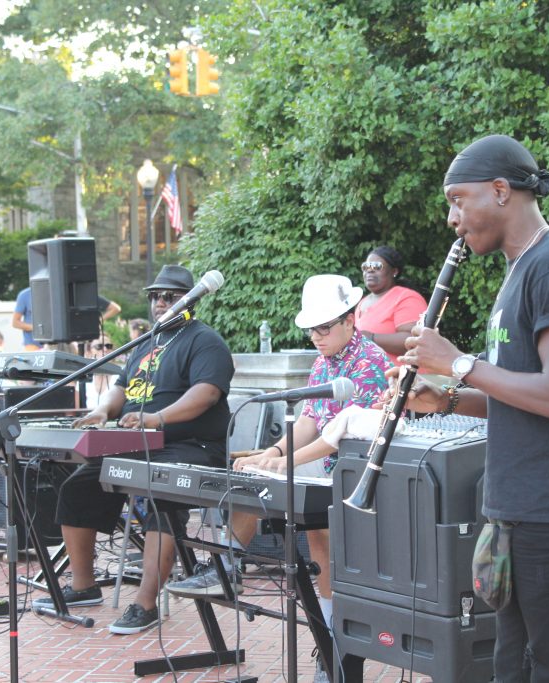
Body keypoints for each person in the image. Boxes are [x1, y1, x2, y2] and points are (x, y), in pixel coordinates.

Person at [398, 135, 549, 683]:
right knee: (514, 669)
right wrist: (444, 396)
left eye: (458, 199)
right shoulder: (521, 269)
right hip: (527, 513)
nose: (453, 218)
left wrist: (457, 363)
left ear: (501, 191)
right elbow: (524, 399)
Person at [168, 274, 393, 683]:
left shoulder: (372, 362)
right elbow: (309, 421)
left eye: (324, 327)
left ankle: (336, 650)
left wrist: (283, 465)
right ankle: (227, 566)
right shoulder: (325, 361)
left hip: (361, 474)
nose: (316, 336)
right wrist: (271, 454)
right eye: (311, 329)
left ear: (350, 319)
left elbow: (337, 435)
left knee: (328, 555)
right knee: (261, 485)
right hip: (327, 469)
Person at [34, 264, 234, 635]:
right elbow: (121, 388)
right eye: (155, 296)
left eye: (170, 296)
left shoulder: (205, 341)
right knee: (78, 485)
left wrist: (157, 417)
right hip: (138, 444)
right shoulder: (145, 343)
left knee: (160, 494)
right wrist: (102, 411)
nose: (160, 302)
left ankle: (145, 604)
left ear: (190, 301)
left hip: (189, 446)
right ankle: (82, 586)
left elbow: (206, 394)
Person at [355, 245, 427, 359]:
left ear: (394, 271)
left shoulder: (407, 298)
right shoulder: (362, 302)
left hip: (402, 375)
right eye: (366, 266)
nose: (370, 270)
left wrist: (371, 338)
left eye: (377, 266)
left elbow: (416, 341)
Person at [13, 285, 121, 350]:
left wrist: (97, 320)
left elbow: (115, 308)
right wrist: (39, 327)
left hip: (65, 345)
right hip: (34, 345)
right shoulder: (25, 295)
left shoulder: (66, 292)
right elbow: (15, 323)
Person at [12, 287, 40, 351]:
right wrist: (38, 328)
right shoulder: (25, 294)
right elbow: (15, 323)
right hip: (33, 346)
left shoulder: (57, 292)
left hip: (56, 344)